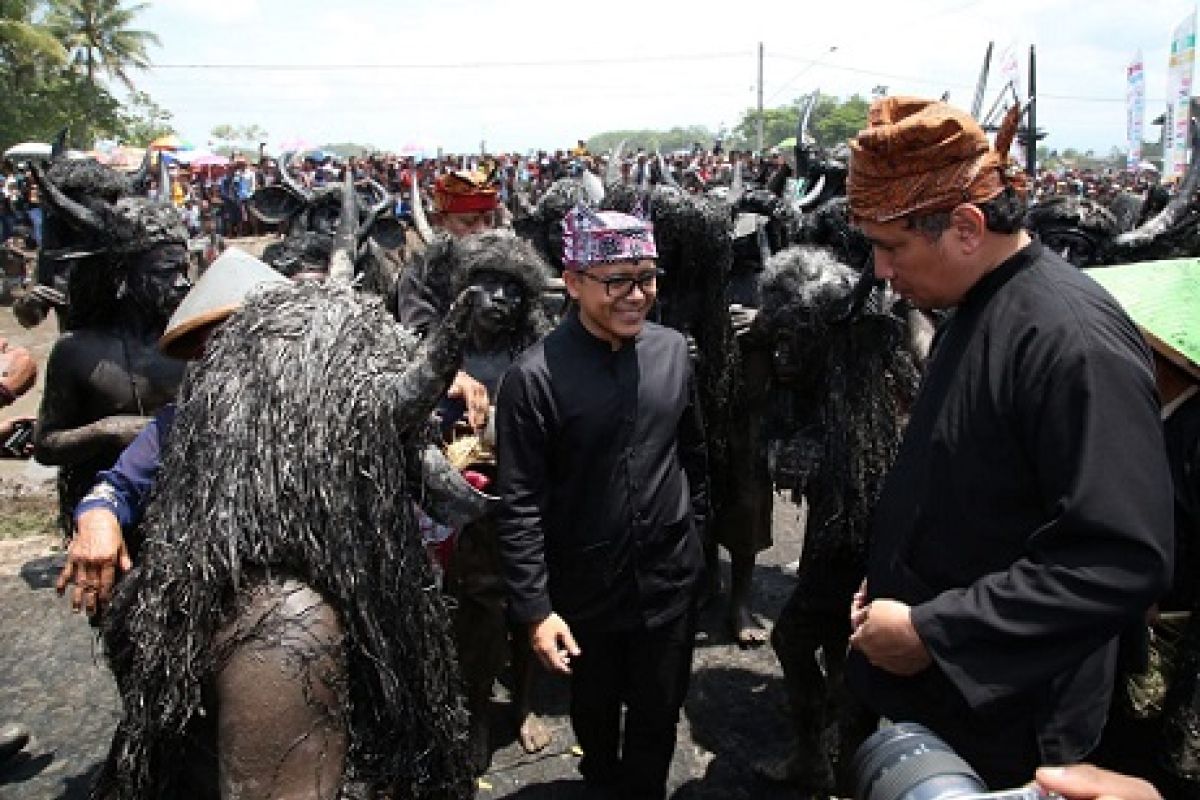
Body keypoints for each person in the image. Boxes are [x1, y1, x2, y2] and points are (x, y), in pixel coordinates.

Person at [842, 97, 1174, 788]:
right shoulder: (975, 303)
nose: (880, 272)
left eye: (891, 246)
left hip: (1008, 723)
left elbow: (1116, 559)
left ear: (965, 227)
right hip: (930, 697)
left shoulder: (1071, 342)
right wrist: (894, 582)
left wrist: (934, 631)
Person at [494, 206, 707, 799]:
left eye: (647, 277)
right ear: (573, 280)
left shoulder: (672, 352)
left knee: (659, 717)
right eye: (617, 280)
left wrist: (698, 546)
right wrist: (536, 609)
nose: (636, 295)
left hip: (669, 582)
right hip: (586, 594)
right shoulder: (533, 379)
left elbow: (694, 456)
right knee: (593, 716)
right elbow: (520, 504)